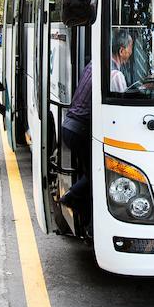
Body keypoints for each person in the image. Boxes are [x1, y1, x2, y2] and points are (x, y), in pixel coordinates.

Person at [59, 62, 93, 217]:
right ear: (121, 51)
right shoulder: (113, 73)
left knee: (87, 171)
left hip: (69, 127)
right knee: (94, 173)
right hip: (79, 131)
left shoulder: (91, 66)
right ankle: (71, 197)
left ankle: (83, 215)